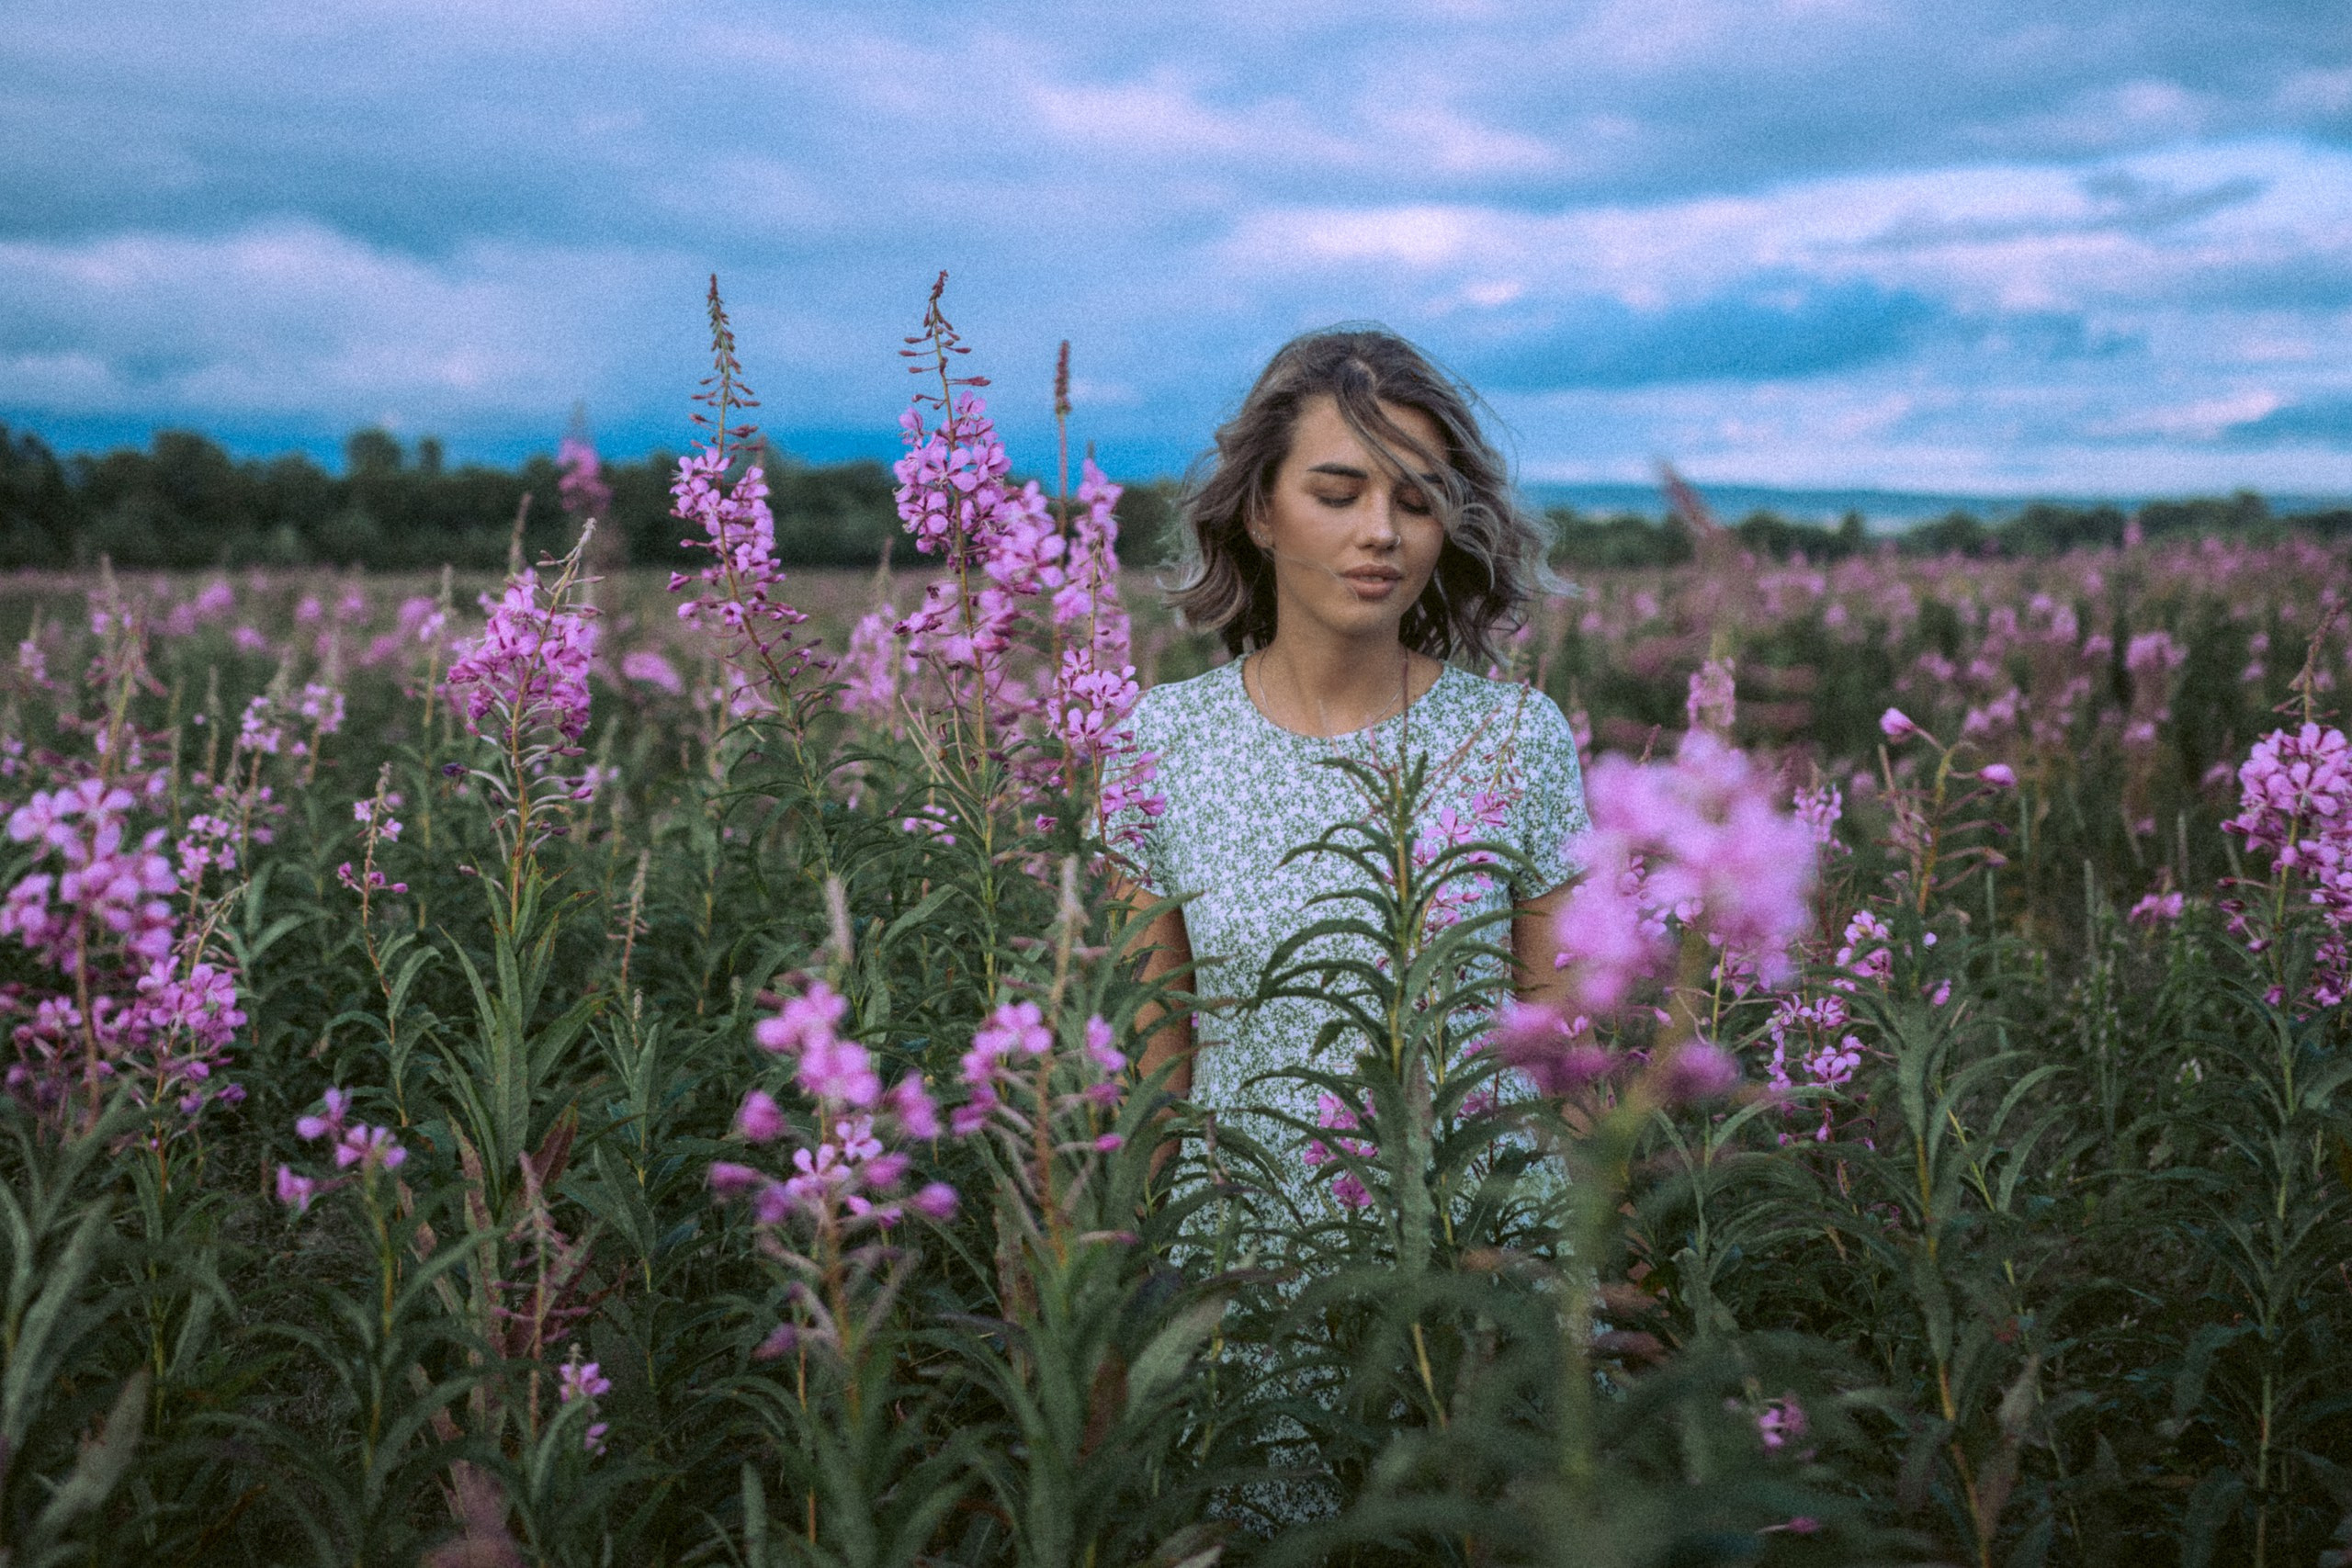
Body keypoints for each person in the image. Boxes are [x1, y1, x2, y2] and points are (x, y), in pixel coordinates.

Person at [1107, 327, 1589, 1219]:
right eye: (1337, 493)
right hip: (1243, 1273)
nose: (1380, 533)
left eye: (1416, 502)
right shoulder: (1159, 741)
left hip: (1483, 1261)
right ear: (1258, 511)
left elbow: (1566, 1055)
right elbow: (1156, 1082)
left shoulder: (1516, 736)